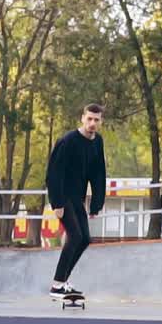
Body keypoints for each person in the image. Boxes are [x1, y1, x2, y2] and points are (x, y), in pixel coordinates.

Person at [44, 103, 107, 299]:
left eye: (96, 120)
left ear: (101, 121)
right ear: (82, 118)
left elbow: (98, 174)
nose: (92, 123)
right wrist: (57, 203)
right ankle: (56, 284)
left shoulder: (98, 142)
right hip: (64, 196)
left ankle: (63, 281)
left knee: (85, 239)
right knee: (75, 236)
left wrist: (96, 204)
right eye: (89, 119)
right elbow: (54, 172)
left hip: (77, 198)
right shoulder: (68, 141)